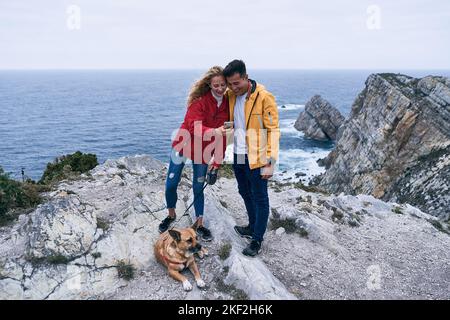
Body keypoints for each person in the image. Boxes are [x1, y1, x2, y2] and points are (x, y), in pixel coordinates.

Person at [159, 66, 229, 241]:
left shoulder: (229, 105)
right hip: (183, 145)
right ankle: (171, 215)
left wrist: (216, 164)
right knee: (171, 184)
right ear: (209, 85)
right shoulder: (199, 102)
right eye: (216, 86)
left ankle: (199, 224)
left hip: (203, 151)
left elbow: (224, 137)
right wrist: (216, 132)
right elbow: (195, 129)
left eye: (223, 85)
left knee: (198, 187)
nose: (220, 89)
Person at [223, 59, 280, 256]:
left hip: (258, 157)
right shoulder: (231, 95)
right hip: (238, 154)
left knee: (260, 197)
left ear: (246, 77)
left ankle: (257, 239)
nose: (233, 87)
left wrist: (270, 163)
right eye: (230, 84)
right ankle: (252, 225)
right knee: (244, 191)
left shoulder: (264, 97)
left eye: (236, 83)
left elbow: (273, 130)